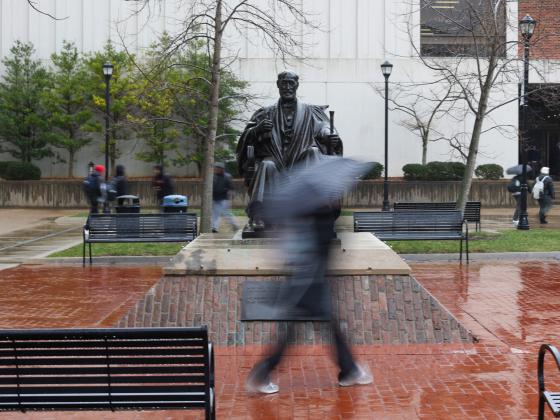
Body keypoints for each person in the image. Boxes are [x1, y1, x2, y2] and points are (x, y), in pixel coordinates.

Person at [245, 159, 373, 395]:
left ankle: (348, 370)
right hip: (309, 280)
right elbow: (318, 247)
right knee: (301, 331)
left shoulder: (308, 211)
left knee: (314, 329)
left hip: (308, 278)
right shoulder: (315, 214)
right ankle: (262, 374)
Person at [236, 70, 343, 231]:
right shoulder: (265, 113)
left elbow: (324, 127)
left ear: (296, 85)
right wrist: (257, 129)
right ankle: (259, 215)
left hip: (300, 161)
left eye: (290, 83)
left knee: (313, 153)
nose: (287, 87)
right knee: (266, 165)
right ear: (278, 85)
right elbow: (245, 138)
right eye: (283, 83)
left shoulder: (310, 112)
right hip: (276, 163)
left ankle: (317, 210)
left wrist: (329, 135)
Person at [212, 162, 238, 233]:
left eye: (217, 168)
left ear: (222, 169)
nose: (216, 169)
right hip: (215, 198)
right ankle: (214, 228)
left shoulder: (227, 176)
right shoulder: (213, 176)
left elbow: (232, 187)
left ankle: (234, 225)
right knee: (215, 214)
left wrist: (232, 195)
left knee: (227, 213)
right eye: (215, 168)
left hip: (224, 198)